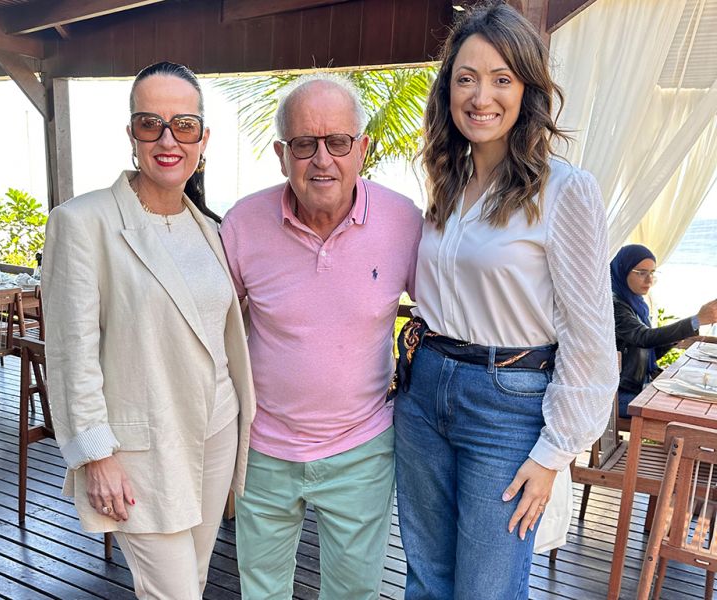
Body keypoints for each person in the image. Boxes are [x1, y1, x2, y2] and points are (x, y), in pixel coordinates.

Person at [393, 5, 618, 598]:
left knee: (488, 587)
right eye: (466, 78)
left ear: (528, 90)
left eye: (501, 78)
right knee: (427, 579)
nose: (481, 96)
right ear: (448, 91)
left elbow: (590, 337)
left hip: (507, 406)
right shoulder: (447, 183)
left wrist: (553, 455)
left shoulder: (565, 190)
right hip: (423, 390)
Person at [43, 61, 255, 600]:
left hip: (215, 433)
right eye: (149, 123)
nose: (167, 139)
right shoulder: (82, 221)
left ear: (203, 138)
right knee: (174, 591)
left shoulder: (210, 228)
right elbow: (71, 352)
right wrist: (95, 454)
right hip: (142, 446)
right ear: (131, 134)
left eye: (183, 125)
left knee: (197, 580)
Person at [220, 74, 423, 599]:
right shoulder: (242, 224)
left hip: (362, 447)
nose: (322, 160)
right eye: (304, 144)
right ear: (281, 153)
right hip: (264, 447)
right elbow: (209, 325)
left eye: (338, 142)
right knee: (261, 591)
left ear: (363, 148)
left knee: (352, 594)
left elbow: (452, 313)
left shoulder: (404, 222)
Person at [611, 243, 717, 417]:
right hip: (620, 396)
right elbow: (643, 338)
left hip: (640, 386)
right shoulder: (616, 305)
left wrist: (679, 336)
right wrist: (696, 321)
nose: (649, 280)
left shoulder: (636, 304)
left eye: (652, 273)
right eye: (641, 273)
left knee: (699, 403)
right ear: (622, 270)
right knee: (690, 413)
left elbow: (647, 351)